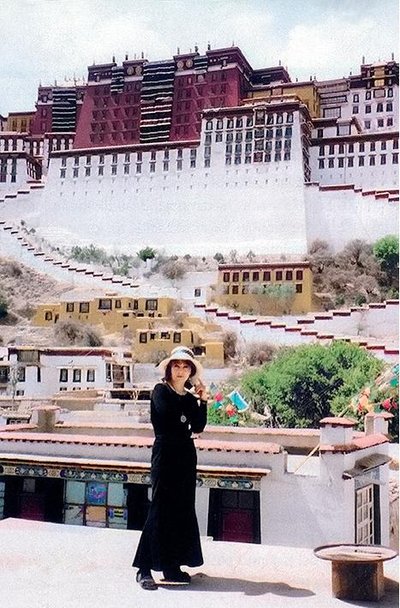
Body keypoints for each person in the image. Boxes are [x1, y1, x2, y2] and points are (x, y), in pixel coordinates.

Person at [132, 346, 208, 590]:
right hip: (165, 455)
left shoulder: (189, 398)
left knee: (181, 509)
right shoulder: (160, 391)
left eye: (186, 366)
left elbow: (197, 426)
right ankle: (144, 568)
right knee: (160, 509)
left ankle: (170, 565)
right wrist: (187, 411)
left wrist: (202, 400)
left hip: (186, 456)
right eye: (177, 365)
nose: (181, 370)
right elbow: (168, 418)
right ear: (169, 368)